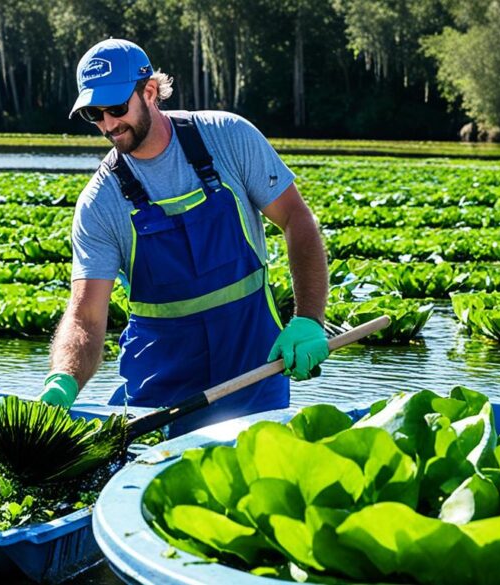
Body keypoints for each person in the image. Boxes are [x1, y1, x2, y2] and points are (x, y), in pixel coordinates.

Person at [38, 39, 329, 433]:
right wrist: (64, 379)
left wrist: (308, 319)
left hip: (256, 379)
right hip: (159, 396)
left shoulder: (228, 138)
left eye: (117, 108)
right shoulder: (99, 203)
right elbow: (87, 316)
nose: (108, 124)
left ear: (150, 91)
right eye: (94, 113)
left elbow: (297, 219)